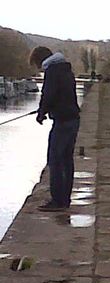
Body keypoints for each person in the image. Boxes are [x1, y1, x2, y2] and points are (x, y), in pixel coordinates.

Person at [30, 46, 80, 212]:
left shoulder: (52, 71)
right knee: (66, 160)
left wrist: (41, 113)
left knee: (55, 160)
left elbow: (48, 94)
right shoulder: (65, 69)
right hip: (73, 119)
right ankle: (64, 199)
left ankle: (57, 201)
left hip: (63, 121)